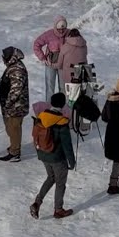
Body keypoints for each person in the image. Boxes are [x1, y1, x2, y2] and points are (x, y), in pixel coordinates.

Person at [30, 92, 76, 220]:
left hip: (44, 154)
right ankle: (58, 210)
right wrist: (72, 161)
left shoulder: (41, 117)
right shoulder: (61, 122)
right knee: (60, 183)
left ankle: (37, 202)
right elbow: (67, 145)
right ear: (62, 105)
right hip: (57, 158)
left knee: (51, 177)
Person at [0, 46, 30, 162]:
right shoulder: (12, 67)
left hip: (16, 106)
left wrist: (8, 102)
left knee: (14, 128)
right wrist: (0, 83)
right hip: (11, 105)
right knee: (10, 128)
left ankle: (15, 152)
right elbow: (8, 80)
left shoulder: (17, 69)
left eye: (4, 57)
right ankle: (13, 146)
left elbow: (16, 90)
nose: (3, 59)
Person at [33, 17, 69, 101]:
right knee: (50, 87)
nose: (61, 31)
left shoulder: (69, 33)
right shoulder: (49, 34)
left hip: (63, 65)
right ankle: (49, 108)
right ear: (55, 27)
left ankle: (62, 108)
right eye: (59, 29)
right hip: (50, 64)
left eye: (63, 29)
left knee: (63, 87)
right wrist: (42, 57)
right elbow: (36, 44)